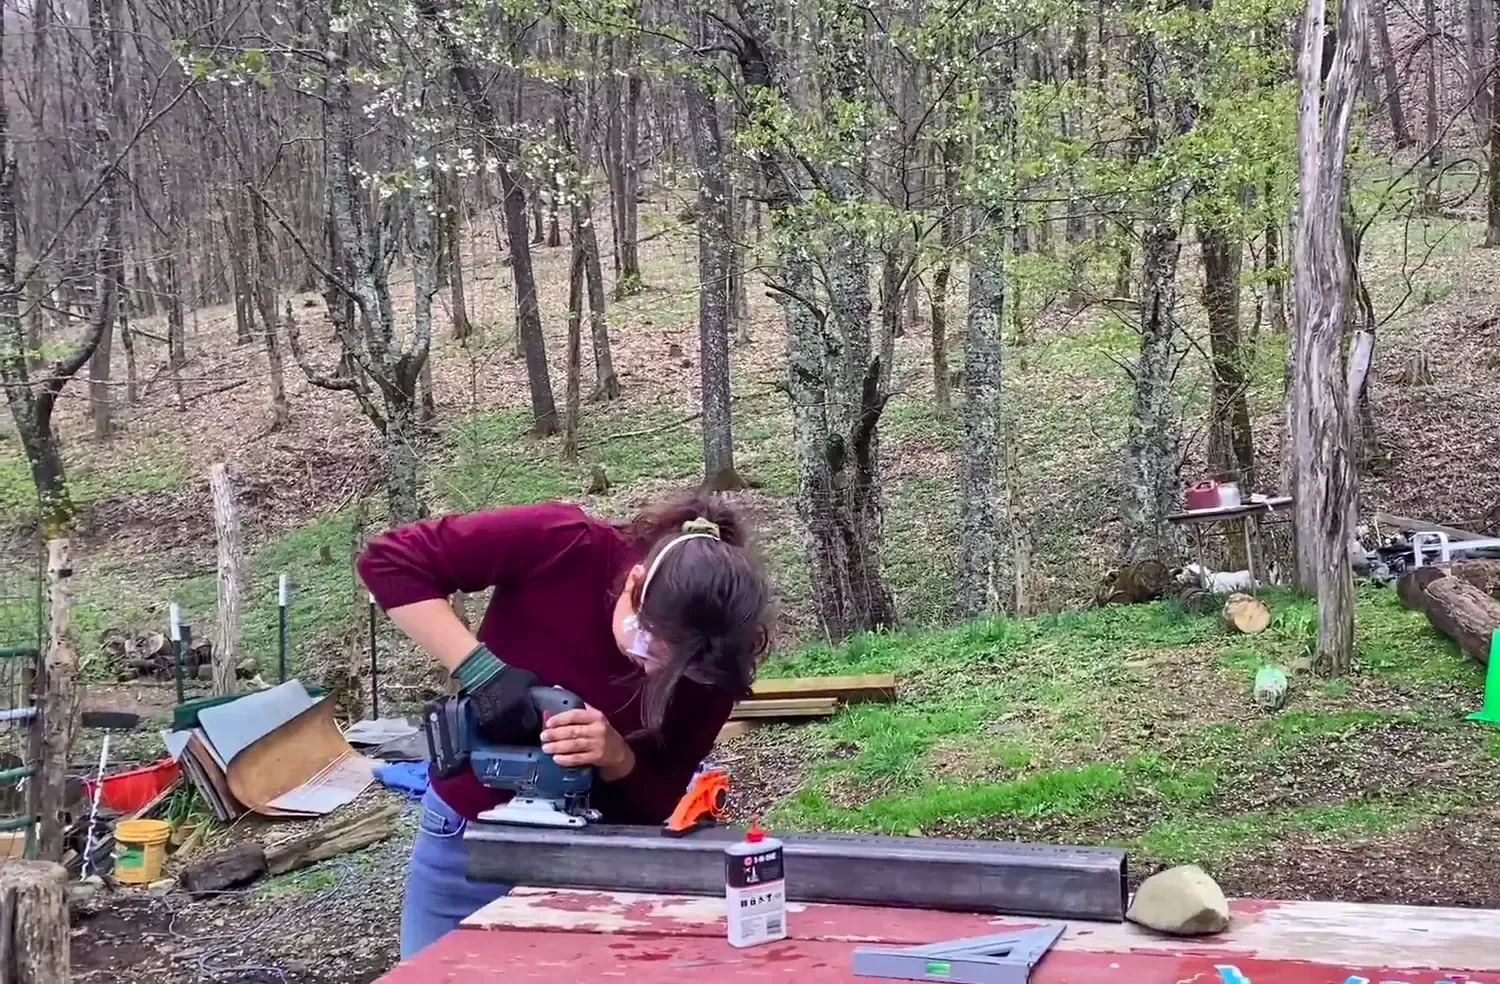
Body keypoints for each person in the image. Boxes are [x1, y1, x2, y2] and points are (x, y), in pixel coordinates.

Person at [356, 494, 773, 959]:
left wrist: (617, 757)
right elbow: (389, 561)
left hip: (592, 855)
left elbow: (661, 801)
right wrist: (481, 671)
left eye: (676, 665)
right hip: (466, 835)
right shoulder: (565, 544)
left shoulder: (712, 670)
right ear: (635, 583)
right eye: (649, 643)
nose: (652, 667)